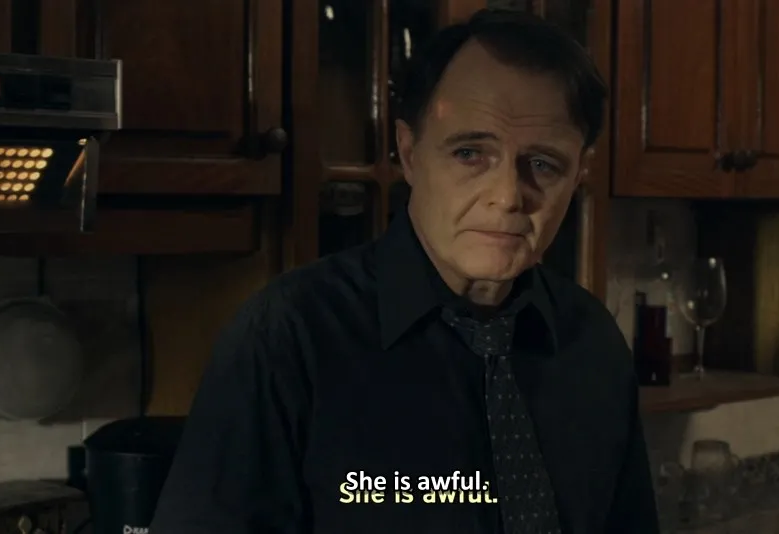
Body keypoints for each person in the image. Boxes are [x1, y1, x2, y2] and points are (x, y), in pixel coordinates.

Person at [151, 8, 660, 534]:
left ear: (578, 175)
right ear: (410, 153)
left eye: (544, 164)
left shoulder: (593, 343)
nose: (509, 196)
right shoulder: (289, 337)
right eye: (470, 153)